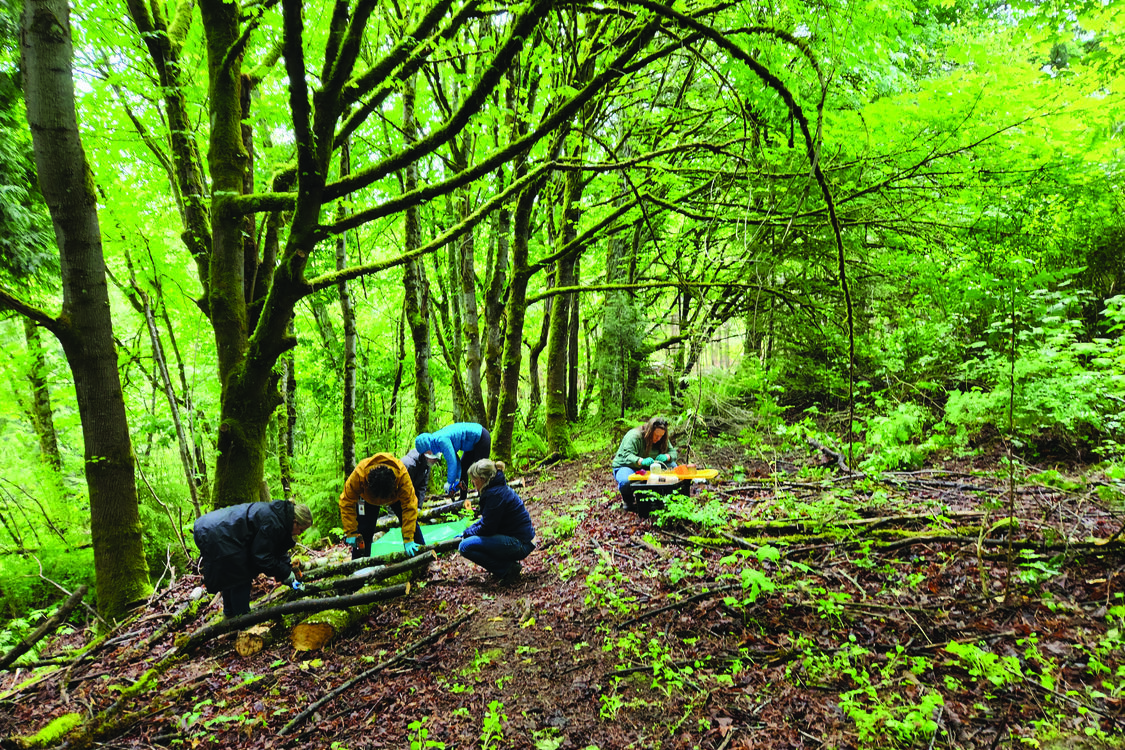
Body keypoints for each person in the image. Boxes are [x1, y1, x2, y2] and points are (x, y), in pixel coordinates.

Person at [192, 500, 313, 619]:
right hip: (215, 533)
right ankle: (241, 620)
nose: (299, 534)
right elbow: (262, 557)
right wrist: (285, 573)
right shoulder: (274, 523)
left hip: (210, 528)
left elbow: (276, 548)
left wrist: (288, 569)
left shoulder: (279, 516)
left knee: (231, 575)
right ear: (295, 522)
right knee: (240, 575)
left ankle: (230, 616)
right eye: (301, 530)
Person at [458, 459, 534, 583]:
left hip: (520, 543)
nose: (472, 482)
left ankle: (507, 569)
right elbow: (486, 520)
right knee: (470, 540)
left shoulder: (495, 495)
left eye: (474, 479)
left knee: (465, 546)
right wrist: (467, 531)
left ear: (482, 479)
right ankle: (506, 565)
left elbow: (487, 528)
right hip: (521, 540)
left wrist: (467, 534)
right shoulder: (495, 490)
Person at [340, 453, 424, 559]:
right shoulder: (359, 474)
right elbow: (346, 501)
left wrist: (408, 539)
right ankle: (359, 565)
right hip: (367, 499)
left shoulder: (402, 475)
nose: (381, 502)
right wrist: (350, 531)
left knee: (411, 522)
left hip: (395, 498)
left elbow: (410, 506)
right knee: (365, 530)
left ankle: (423, 555)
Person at [414, 422, 491, 506]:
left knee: (480, 471)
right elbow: (457, 462)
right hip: (472, 444)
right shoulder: (437, 442)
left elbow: (452, 461)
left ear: (427, 448)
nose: (427, 454)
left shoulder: (441, 440)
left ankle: (483, 500)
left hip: (481, 438)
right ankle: (463, 498)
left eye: (425, 453)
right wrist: (457, 480)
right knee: (463, 467)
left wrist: (449, 482)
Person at [611, 416, 678, 489]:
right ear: (650, 432)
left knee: (673, 467)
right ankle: (629, 499)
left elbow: (673, 452)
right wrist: (641, 461)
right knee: (625, 482)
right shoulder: (634, 436)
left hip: (650, 466)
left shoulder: (662, 438)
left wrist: (667, 456)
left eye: (661, 436)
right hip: (627, 466)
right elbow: (627, 456)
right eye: (656, 435)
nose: (658, 438)